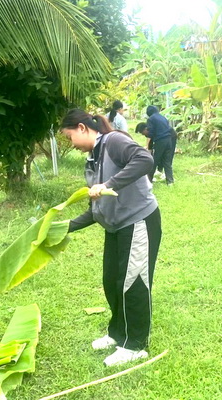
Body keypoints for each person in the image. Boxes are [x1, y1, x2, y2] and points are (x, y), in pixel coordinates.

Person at [61, 109, 162, 367]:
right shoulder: (92, 159)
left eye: (70, 137)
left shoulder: (113, 141)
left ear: (82, 128)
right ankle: (117, 333)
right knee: (112, 281)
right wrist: (65, 227)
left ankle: (135, 345)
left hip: (138, 221)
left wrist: (108, 184)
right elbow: (96, 209)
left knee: (132, 283)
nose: (71, 144)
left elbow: (145, 160)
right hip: (115, 227)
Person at [146, 106, 174, 185]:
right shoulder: (163, 117)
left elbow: (150, 133)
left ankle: (148, 180)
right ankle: (170, 181)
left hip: (160, 141)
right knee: (167, 161)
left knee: (154, 160)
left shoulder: (151, 119)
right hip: (169, 140)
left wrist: (148, 145)